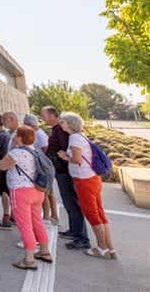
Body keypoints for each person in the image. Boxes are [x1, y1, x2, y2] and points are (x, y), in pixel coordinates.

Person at [57, 112, 118, 260]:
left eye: (63, 121)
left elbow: (77, 159)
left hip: (84, 180)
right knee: (99, 213)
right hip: (92, 178)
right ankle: (110, 248)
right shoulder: (81, 136)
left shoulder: (74, 138)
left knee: (92, 214)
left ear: (70, 124)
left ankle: (101, 248)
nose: (61, 124)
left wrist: (65, 157)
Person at [0, 126, 53, 271]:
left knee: (25, 225)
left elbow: (2, 166)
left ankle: (29, 259)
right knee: (37, 222)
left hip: (21, 191)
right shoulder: (36, 151)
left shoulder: (16, 153)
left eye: (16, 134)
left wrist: (11, 148)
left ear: (20, 137)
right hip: (37, 190)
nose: (14, 136)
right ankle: (44, 251)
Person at [42, 106, 90, 249]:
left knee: (73, 203)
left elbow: (66, 151)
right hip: (63, 170)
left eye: (43, 115)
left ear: (51, 115)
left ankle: (81, 237)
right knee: (69, 203)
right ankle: (74, 230)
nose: (42, 118)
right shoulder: (58, 130)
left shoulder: (61, 131)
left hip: (65, 172)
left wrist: (58, 158)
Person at [24, 114, 59, 225]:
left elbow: (45, 149)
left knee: (44, 193)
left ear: (31, 124)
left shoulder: (39, 135)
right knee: (48, 192)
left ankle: (48, 217)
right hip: (44, 166)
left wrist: (41, 162)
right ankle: (53, 215)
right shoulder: (38, 134)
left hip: (43, 167)